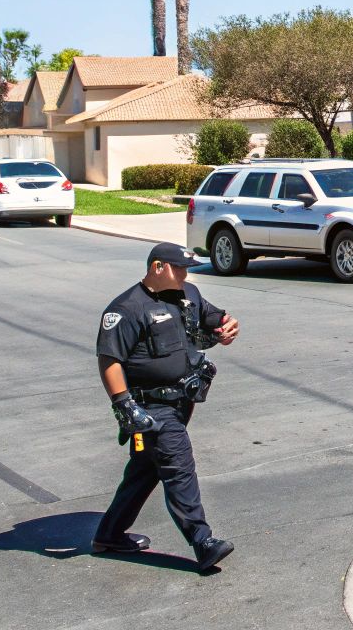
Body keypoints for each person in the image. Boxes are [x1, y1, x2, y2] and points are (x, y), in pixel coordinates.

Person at [92, 242, 240, 572]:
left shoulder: (188, 294)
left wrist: (228, 328)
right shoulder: (127, 308)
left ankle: (109, 534)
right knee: (178, 466)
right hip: (150, 409)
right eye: (179, 268)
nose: (186, 274)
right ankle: (202, 542)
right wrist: (124, 406)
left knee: (145, 472)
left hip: (181, 402)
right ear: (158, 267)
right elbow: (109, 360)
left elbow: (216, 320)